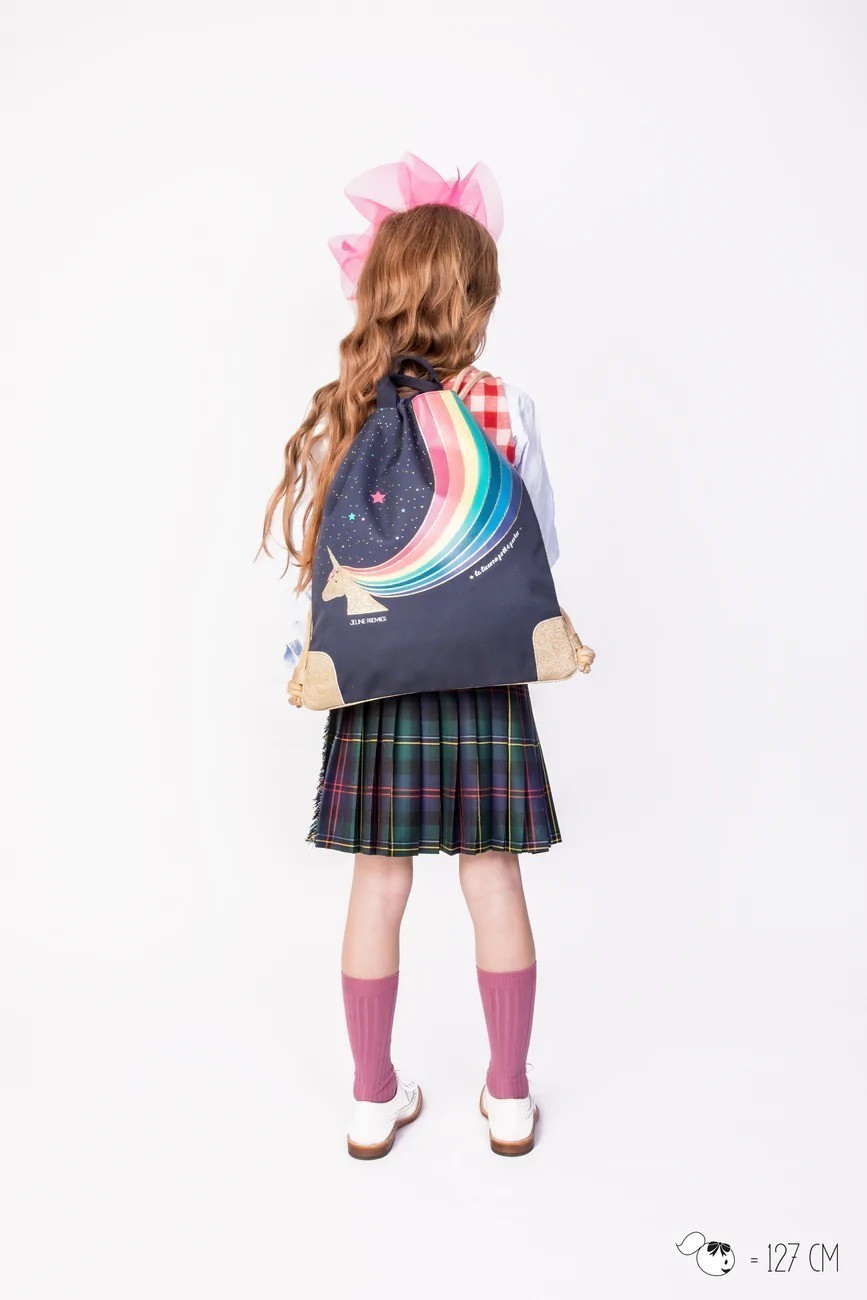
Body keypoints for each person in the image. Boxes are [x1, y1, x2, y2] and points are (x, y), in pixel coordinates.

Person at [262, 155, 594, 1160]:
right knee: (493, 878)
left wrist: (309, 654)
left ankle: (372, 1097)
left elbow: (327, 567)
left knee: (378, 885)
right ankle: (509, 1096)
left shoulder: (347, 413)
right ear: (475, 302)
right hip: (485, 681)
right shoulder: (507, 409)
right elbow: (539, 547)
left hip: (377, 687)